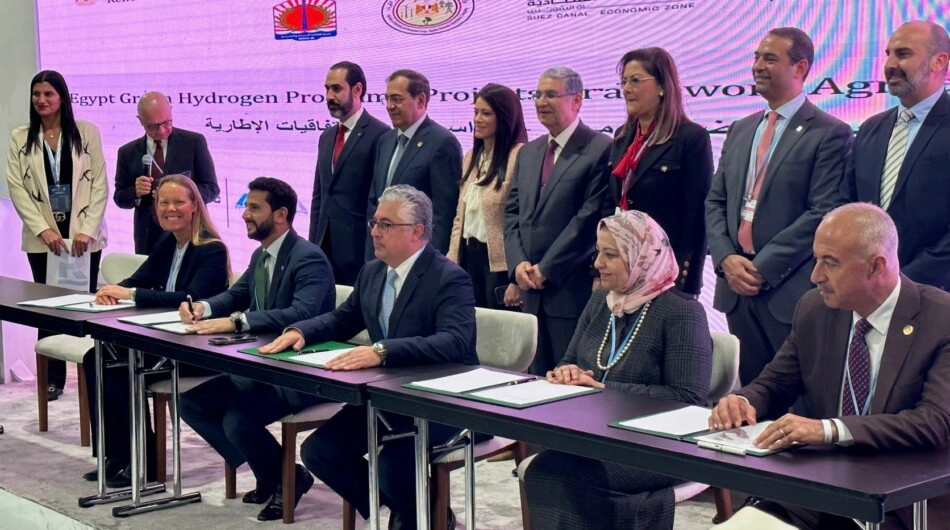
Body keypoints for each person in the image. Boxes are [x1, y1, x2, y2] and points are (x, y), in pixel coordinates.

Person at [709, 203, 950, 530]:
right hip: (820, 491)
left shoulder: (941, 318)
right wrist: (742, 401)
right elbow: (775, 383)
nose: (815, 275)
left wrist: (828, 429)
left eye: (830, 263)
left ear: (876, 266)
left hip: (902, 503)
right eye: (816, 258)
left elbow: (935, 422)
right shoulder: (814, 309)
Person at [260, 184, 478, 530]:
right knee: (320, 452)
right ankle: (417, 511)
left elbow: (454, 342)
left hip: (439, 400)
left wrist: (382, 351)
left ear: (417, 232)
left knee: (393, 463)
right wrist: (301, 331)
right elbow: (344, 318)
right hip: (386, 397)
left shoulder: (449, 278)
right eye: (374, 222)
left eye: (386, 224)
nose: (375, 231)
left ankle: (416, 515)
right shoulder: (373, 271)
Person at [523, 210, 712, 529]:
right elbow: (568, 361)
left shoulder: (683, 313)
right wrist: (565, 375)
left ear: (641, 258)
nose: (597, 263)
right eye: (598, 252)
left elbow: (688, 398)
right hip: (600, 434)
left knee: (571, 478)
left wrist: (607, 392)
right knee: (546, 469)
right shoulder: (601, 302)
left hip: (661, 444)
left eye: (610, 255)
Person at [178, 177, 335, 521]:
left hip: (299, 374)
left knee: (238, 420)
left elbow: (301, 313)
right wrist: (203, 307)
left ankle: (284, 479)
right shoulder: (260, 253)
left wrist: (238, 322)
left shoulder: (308, 258)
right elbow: (237, 294)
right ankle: (278, 475)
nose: (245, 214)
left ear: (280, 215)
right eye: (246, 206)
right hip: (259, 367)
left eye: (253, 207)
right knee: (190, 402)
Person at [705, 27, 853, 385]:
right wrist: (726, 259)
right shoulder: (740, 128)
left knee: (796, 395)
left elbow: (823, 212)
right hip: (736, 287)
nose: (757, 66)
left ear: (800, 68)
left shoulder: (829, 132)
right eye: (756, 57)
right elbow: (716, 200)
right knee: (753, 393)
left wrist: (762, 267)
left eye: (770, 59)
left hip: (786, 290)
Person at [81, 174, 231, 487]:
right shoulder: (167, 241)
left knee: (122, 367)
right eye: (164, 202)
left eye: (178, 202)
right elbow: (140, 279)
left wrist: (131, 295)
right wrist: (112, 290)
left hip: (195, 348)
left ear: (194, 206)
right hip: (162, 340)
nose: (170, 209)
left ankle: (144, 461)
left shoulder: (212, 250)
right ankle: (115, 455)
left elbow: (190, 297)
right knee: (96, 357)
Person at [6, 70, 108, 401]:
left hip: (83, 239)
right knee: (48, 308)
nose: (41, 100)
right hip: (42, 239)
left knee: (82, 305)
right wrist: (43, 228)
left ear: (62, 97)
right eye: (36, 94)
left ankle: (92, 372)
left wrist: (87, 230)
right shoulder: (20, 137)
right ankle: (53, 379)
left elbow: (100, 185)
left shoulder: (86, 133)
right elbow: (17, 188)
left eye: (48, 94)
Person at [504, 66, 612, 375]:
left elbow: (588, 218)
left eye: (551, 94)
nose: (540, 102)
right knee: (530, 384)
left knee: (569, 385)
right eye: (537, 95)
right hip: (529, 291)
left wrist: (546, 268)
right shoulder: (529, 152)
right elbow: (512, 213)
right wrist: (518, 264)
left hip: (569, 290)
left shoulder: (599, 148)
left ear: (577, 101)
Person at [840, 21, 950, 291]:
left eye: (903, 54)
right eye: (888, 54)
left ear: (939, 61)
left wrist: (905, 281)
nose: (889, 64)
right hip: (870, 290)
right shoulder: (870, 128)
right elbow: (848, 204)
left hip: (938, 294)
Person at [609, 47, 713, 297]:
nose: (626, 89)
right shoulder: (623, 137)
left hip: (665, 272)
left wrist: (686, 280)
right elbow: (608, 204)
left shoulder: (691, 138)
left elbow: (696, 219)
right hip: (622, 267)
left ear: (662, 86)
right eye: (623, 81)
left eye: (635, 80)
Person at [447, 83, 528, 309]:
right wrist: (451, 262)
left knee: (499, 333)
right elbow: (459, 218)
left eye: (486, 113)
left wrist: (515, 277)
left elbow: (520, 220)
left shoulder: (518, 155)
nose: (478, 119)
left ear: (504, 117)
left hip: (501, 265)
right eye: (476, 112)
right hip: (468, 259)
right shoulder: (471, 155)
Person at [309, 61, 390, 285]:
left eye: (336, 88)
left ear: (357, 90)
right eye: (326, 89)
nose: (329, 96)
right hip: (323, 250)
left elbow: (378, 199)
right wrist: (312, 245)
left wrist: (373, 253)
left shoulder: (381, 135)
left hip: (358, 250)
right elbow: (320, 196)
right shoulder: (326, 137)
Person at [367, 69, 462, 256]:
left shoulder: (442, 142)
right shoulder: (384, 141)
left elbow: (444, 214)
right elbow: (374, 200)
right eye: (386, 99)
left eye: (397, 99)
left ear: (421, 101)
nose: (389, 106)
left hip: (416, 257)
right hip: (381, 255)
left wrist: (431, 263)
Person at [113, 91, 219, 255]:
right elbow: (119, 198)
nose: (162, 130)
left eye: (166, 122)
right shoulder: (127, 152)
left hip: (190, 234)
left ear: (171, 111)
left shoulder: (193, 143)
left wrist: (185, 198)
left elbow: (211, 188)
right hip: (148, 239)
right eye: (153, 126)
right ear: (140, 121)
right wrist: (136, 192)